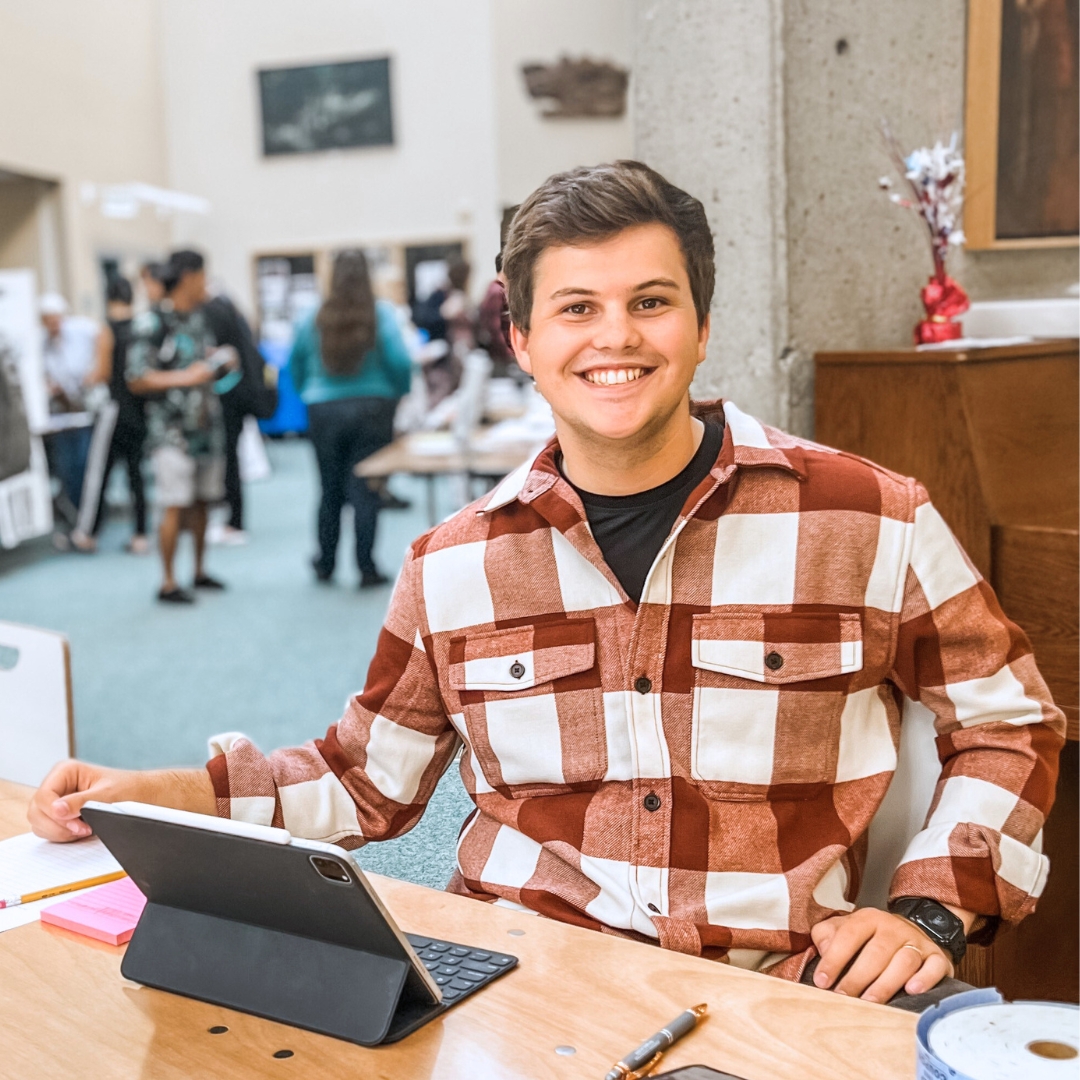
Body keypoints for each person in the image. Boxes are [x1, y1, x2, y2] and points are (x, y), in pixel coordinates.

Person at [29, 162, 1065, 1011]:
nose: (614, 337)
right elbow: (362, 780)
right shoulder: (454, 562)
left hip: (776, 990)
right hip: (524, 985)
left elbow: (1009, 722)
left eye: (650, 303)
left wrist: (932, 908)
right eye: (577, 308)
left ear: (700, 326)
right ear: (523, 341)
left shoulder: (867, 515)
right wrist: (155, 793)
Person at [288, 249, 412, 588]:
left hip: (323, 409)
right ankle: (366, 566)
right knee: (366, 490)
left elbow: (294, 364)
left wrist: (308, 393)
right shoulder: (381, 314)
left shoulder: (311, 315)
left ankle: (325, 563)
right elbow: (401, 362)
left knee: (328, 489)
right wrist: (396, 393)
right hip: (373, 407)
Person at [125, 250, 234, 603]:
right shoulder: (152, 322)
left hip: (205, 426)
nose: (206, 282)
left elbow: (200, 360)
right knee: (173, 503)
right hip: (170, 431)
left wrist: (220, 361)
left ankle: (199, 571)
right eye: (203, 275)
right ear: (189, 276)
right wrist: (185, 378)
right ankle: (168, 581)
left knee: (203, 501)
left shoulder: (200, 318)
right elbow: (136, 377)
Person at [73, 276, 149, 555]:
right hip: (140, 410)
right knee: (136, 473)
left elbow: (103, 372)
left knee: (99, 474)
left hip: (115, 410)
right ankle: (141, 534)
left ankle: (87, 533)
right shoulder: (142, 328)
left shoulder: (107, 330)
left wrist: (84, 379)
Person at [201, 275, 270, 546]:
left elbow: (224, 357)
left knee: (228, 460)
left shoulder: (215, 313)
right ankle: (233, 519)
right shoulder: (231, 311)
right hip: (238, 395)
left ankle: (234, 521)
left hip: (229, 397)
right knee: (231, 459)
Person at [39, 293, 99, 530]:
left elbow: (103, 337)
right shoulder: (41, 343)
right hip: (60, 414)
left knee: (85, 464)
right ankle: (72, 515)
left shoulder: (81, 331)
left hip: (83, 410)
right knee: (66, 468)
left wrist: (93, 375)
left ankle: (88, 517)